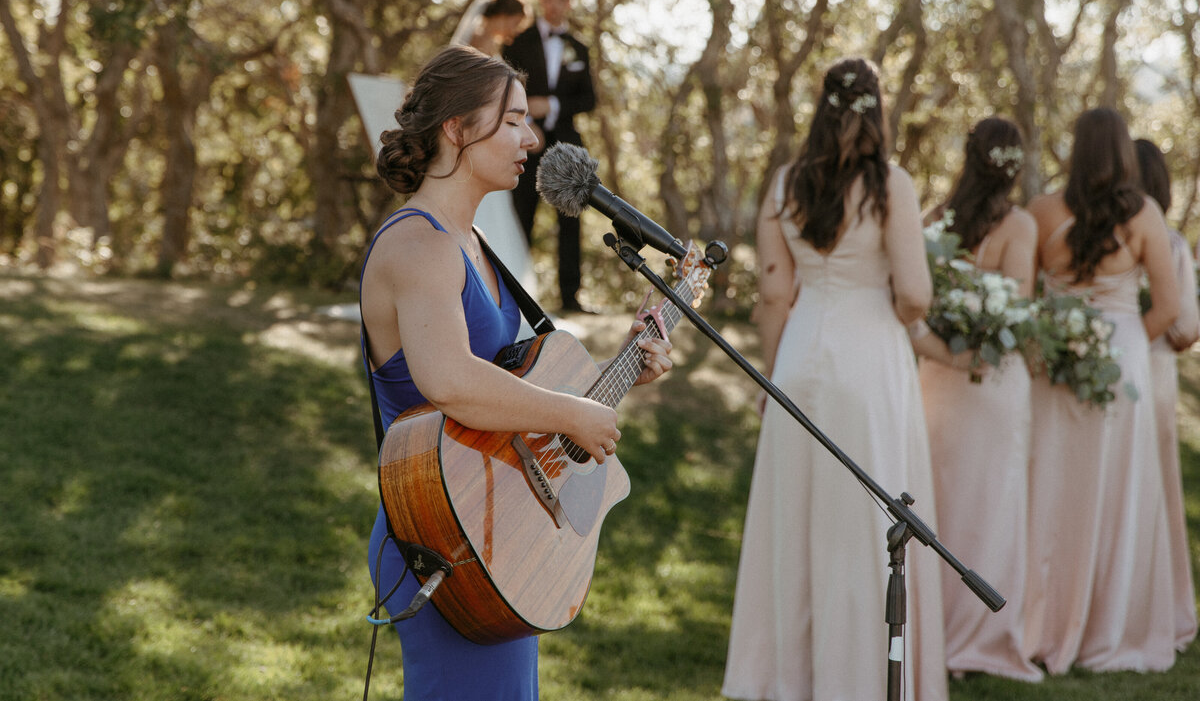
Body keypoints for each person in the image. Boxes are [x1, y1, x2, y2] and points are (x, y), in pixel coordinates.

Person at [360, 45, 673, 700]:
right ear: (456, 129)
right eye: (511, 121)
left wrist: (622, 372)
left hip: (493, 528)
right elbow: (449, 381)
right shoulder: (417, 244)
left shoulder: (472, 243)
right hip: (439, 539)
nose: (531, 138)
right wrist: (572, 414)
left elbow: (513, 390)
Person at [722, 58, 947, 701]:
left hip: (799, 358)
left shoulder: (786, 182)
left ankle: (788, 676)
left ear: (821, 108)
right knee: (868, 520)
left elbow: (773, 293)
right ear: (878, 109)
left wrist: (772, 382)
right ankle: (861, 678)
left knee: (794, 519)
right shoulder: (890, 184)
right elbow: (914, 294)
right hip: (870, 357)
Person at [1023, 107, 1179, 675]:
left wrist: (1060, 340)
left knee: (1054, 491)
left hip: (1056, 364)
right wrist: (1120, 345)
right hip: (1124, 369)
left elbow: (1025, 297)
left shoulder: (1041, 211)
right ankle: (1106, 626)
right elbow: (1168, 308)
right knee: (1117, 494)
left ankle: (1041, 620)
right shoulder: (1144, 214)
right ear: (1120, 152)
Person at [912, 117, 1043, 681]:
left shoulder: (933, 218)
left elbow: (916, 292)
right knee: (989, 506)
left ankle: (930, 630)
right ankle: (974, 638)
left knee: (941, 500)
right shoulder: (1019, 225)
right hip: (989, 380)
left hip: (939, 372)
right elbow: (1019, 310)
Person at [1134, 137, 1199, 652]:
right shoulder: (1172, 244)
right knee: (1152, 487)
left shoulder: (1104, 237)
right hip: (1152, 370)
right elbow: (1186, 330)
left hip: (1118, 368)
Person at [502, 0, 596, 312]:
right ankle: (515, 292)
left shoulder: (579, 48)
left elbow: (590, 100)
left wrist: (553, 104)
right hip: (525, 141)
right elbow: (503, 90)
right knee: (521, 213)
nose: (554, 6)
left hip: (568, 147)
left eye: (562, 0)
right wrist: (528, 116)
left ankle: (570, 297)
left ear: (569, 3)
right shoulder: (518, 42)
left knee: (570, 219)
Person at [450, 0, 536, 322]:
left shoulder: (494, 49)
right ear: (501, 16)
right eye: (515, 22)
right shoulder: (471, 48)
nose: (515, 31)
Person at [451, 0, 530, 57]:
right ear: (503, 15)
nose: (515, 31)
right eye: (516, 23)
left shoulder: (490, 43)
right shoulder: (479, 42)